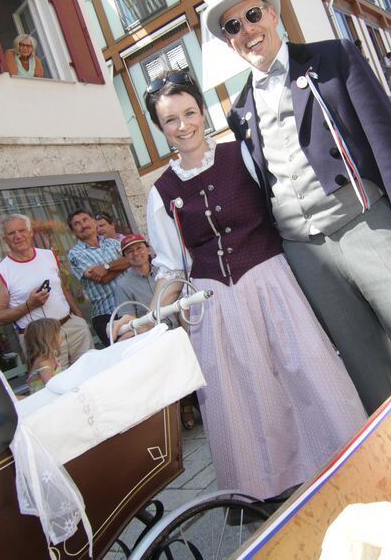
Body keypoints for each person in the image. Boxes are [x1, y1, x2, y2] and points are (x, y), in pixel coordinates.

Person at [204, 0, 391, 412]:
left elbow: (387, 138)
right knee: (365, 371)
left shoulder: (333, 58)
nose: (247, 30)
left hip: (365, 224)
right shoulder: (238, 111)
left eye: (253, 15)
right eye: (232, 26)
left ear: (273, 14)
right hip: (305, 251)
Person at [144, 70, 367, 500]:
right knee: (246, 396)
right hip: (216, 303)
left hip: (271, 279)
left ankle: (344, 457)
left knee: (307, 370)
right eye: (170, 120)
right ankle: (271, 488)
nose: (183, 125)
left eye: (189, 112)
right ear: (160, 129)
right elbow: (171, 267)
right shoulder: (162, 192)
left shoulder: (240, 154)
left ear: (202, 112)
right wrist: (152, 315)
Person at [110, 233, 199, 429]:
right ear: (124, 257)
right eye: (130, 251)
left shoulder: (165, 271)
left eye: (139, 248)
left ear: (149, 250)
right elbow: (128, 316)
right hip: (153, 336)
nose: (136, 253)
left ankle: (197, 403)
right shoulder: (123, 284)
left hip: (180, 325)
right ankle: (185, 409)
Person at [0, 214, 92, 369]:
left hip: (72, 328)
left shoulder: (49, 255)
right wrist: (29, 305)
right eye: (11, 233)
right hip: (41, 340)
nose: (18, 236)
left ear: (31, 233)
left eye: (22, 230)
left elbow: (62, 288)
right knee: (58, 387)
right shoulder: (2, 272)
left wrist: (78, 316)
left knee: (92, 374)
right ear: (5, 239)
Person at [66, 209, 130, 340]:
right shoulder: (75, 254)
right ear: (73, 231)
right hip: (107, 315)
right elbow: (102, 279)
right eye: (77, 224)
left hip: (131, 307)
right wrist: (123, 264)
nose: (83, 225)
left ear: (94, 222)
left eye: (85, 220)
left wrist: (106, 266)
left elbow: (130, 259)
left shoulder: (112, 242)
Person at [23, 318, 63, 393]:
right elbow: (52, 387)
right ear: (49, 338)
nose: (61, 335)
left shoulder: (52, 355)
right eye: (58, 333)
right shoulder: (43, 362)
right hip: (47, 401)